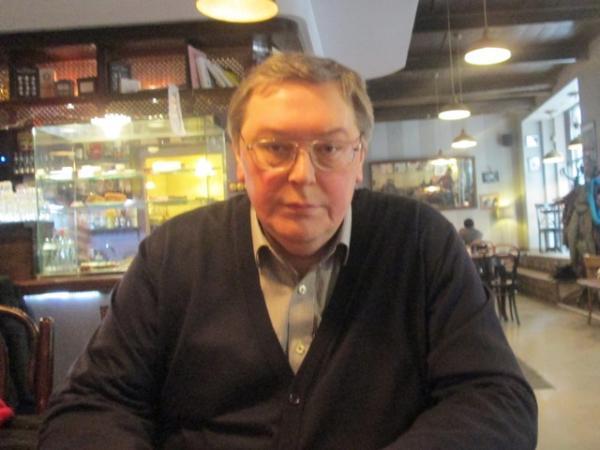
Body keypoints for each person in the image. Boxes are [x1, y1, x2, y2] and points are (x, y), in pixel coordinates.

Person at [39, 53, 537, 449]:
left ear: (359, 158)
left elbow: (496, 398)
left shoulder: (421, 243)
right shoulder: (173, 255)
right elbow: (89, 406)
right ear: (240, 156)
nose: (303, 176)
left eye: (330, 148)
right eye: (276, 148)